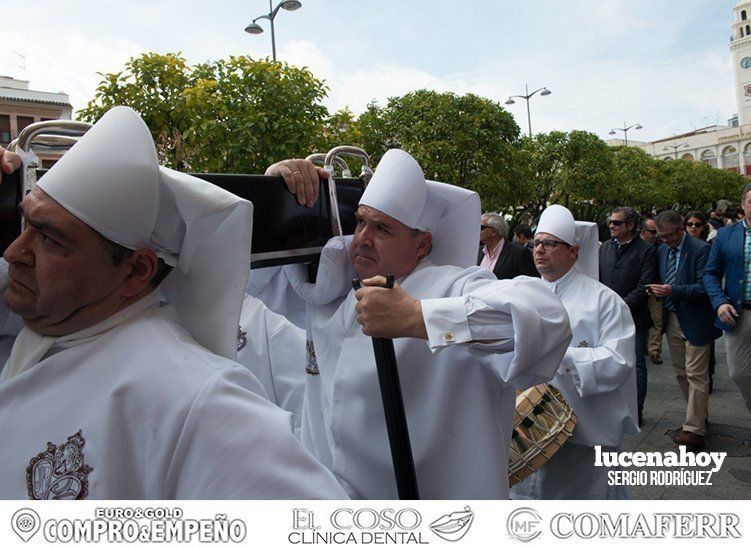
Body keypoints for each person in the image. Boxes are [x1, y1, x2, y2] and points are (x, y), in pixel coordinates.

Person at [0, 107, 347, 499]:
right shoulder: (42, 321)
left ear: (136, 272)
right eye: (27, 224)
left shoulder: (196, 400)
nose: (14, 252)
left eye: (50, 240)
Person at [269, 149, 572, 499]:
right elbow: (240, 273)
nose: (363, 238)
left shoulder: (452, 287)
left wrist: (420, 318)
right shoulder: (328, 290)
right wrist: (276, 190)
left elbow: (547, 318)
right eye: (361, 222)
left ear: (422, 244)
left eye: (382, 228)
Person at [511, 205, 637, 500]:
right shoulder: (520, 294)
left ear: (573, 251)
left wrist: (563, 357)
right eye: (536, 243)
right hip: (527, 430)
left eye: (550, 243)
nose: (540, 250)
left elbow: (618, 361)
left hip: (582, 433)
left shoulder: (604, 301)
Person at [650, 210, 720, 449]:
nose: (665, 240)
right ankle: (699, 416)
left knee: (696, 373)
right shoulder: (661, 251)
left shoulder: (700, 249)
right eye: (661, 236)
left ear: (680, 230)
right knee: (681, 372)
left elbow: (705, 286)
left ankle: (694, 429)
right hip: (672, 317)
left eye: (669, 236)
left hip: (696, 318)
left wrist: (673, 291)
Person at [599, 206, 658, 427]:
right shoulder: (604, 248)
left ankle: (636, 410)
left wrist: (619, 306)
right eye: (610, 222)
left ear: (631, 225)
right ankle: (610, 410)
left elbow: (645, 285)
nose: (612, 226)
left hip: (633, 316)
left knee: (636, 365)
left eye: (617, 223)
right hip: (604, 317)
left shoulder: (646, 250)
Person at [704, 183, 751, 414]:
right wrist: (720, 302)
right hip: (738, 314)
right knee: (739, 373)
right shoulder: (725, 235)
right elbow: (711, 273)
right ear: (743, 205)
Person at [684, 210, 716, 393]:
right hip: (684, 304)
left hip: (703, 304)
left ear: (703, 226)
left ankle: (708, 375)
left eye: (697, 224)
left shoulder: (707, 247)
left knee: (704, 347)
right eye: (690, 224)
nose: (693, 228)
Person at [478, 212, 538, 279]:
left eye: (481, 227)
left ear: (494, 232)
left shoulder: (519, 253)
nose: (476, 230)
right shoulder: (478, 252)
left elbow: (531, 283)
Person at [640, 218, 663, 366]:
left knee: (656, 321)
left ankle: (654, 350)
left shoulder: (660, 247)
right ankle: (643, 346)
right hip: (638, 289)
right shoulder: (637, 247)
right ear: (644, 232)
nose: (656, 235)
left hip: (655, 289)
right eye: (653, 232)